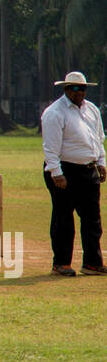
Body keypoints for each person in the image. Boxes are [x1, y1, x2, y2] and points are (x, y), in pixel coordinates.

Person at [41, 70, 106, 277]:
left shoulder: (92, 110)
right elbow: (50, 147)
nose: (80, 93)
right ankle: (61, 263)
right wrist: (57, 173)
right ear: (66, 89)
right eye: (76, 88)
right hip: (64, 170)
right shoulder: (55, 112)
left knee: (92, 219)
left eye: (83, 89)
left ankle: (92, 263)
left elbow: (98, 139)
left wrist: (101, 162)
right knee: (63, 218)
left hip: (88, 169)